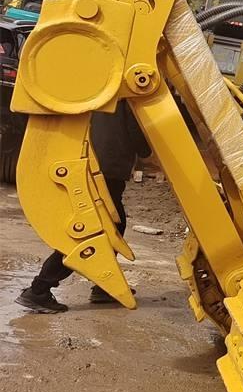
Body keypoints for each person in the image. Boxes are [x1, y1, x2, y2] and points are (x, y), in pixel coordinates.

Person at [16, 104, 150, 313]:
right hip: (107, 169)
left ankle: (103, 286)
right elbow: (140, 140)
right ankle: (38, 289)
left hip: (94, 164)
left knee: (115, 225)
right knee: (93, 232)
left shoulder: (101, 93)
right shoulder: (126, 99)